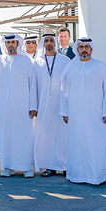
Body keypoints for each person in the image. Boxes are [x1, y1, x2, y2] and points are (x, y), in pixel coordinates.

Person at [60, 37, 106, 185]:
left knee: (95, 145)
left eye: (87, 47)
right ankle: (76, 175)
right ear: (77, 49)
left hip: (96, 114)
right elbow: (64, 90)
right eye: (81, 47)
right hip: (75, 114)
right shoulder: (70, 67)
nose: (84, 50)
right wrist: (64, 111)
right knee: (76, 145)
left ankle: (96, 177)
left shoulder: (100, 67)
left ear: (91, 49)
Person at [0, 34, 37, 178]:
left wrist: (33, 105)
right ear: (5, 44)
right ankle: (7, 166)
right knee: (5, 136)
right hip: (3, 107)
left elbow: (32, 84)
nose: (10, 45)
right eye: (8, 42)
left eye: (13, 42)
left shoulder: (26, 61)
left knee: (24, 136)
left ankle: (26, 167)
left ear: (17, 44)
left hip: (23, 106)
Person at [33, 33, 68, 177]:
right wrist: (33, 106)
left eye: (51, 41)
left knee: (62, 136)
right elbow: (33, 86)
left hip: (60, 105)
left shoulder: (65, 61)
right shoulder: (37, 62)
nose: (49, 43)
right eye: (46, 41)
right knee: (45, 136)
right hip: (43, 105)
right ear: (42, 43)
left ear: (55, 43)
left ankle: (65, 165)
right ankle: (49, 166)